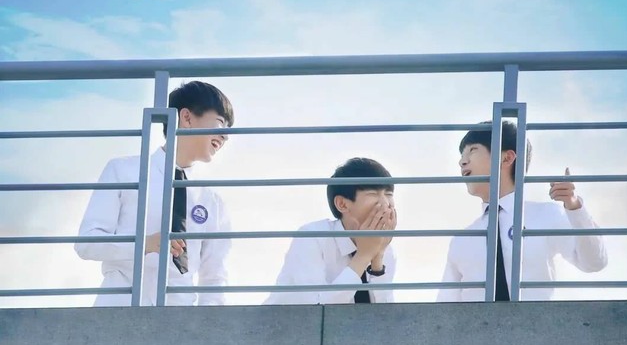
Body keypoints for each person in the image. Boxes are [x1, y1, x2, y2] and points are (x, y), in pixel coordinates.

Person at [75, 81, 234, 306]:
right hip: (119, 309)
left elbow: (214, 277)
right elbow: (87, 243)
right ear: (186, 118)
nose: (226, 136)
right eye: (220, 123)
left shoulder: (212, 201)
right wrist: (145, 244)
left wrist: (207, 324)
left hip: (179, 317)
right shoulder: (124, 171)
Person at [437, 120, 608, 302]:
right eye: (462, 155)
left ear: (507, 158)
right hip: (477, 322)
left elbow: (594, 262)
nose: (462, 161)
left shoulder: (546, 215)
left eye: (472, 150)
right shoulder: (461, 240)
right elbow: (444, 307)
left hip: (535, 320)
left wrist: (574, 207)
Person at [265, 157, 397, 305]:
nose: (385, 204)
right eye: (372, 194)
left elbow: (385, 316)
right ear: (342, 204)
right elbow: (315, 309)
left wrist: (377, 262)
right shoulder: (312, 237)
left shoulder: (386, 249)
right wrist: (364, 256)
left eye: (389, 194)